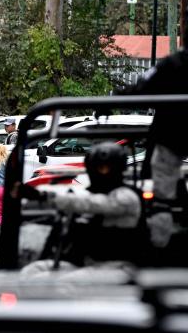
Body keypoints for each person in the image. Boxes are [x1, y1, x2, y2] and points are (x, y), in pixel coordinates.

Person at [19, 142, 147, 267]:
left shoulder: (126, 196)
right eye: (95, 168)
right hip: (89, 262)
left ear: (117, 169)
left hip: (115, 266)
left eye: (103, 168)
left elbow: (91, 203)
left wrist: (44, 195)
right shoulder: (98, 192)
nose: (98, 173)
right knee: (33, 270)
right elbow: (81, 198)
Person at [118, 49, 188, 258]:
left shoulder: (175, 63)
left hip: (171, 136)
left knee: (161, 201)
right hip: (171, 138)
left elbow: (143, 88)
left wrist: (116, 96)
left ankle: (158, 251)